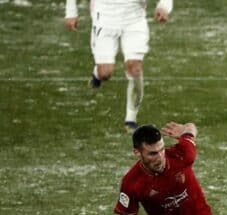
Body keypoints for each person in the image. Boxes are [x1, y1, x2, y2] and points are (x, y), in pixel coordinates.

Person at [64, 0, 173, 132]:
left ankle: (130, 120)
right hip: (105, 17)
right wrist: (71, 12)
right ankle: (98, 75)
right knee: (105, 73)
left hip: (135, 18)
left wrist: (163, 7)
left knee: (135, 69)